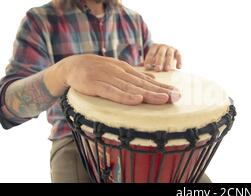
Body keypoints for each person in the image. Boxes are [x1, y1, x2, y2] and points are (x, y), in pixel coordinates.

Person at [0, 0, 211, 183]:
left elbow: (148, 75)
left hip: (140, 134)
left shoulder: (134, 21)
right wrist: (64, 71)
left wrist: (161, 56)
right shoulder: (40, 21)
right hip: (74, 137)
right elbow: (8, 108)